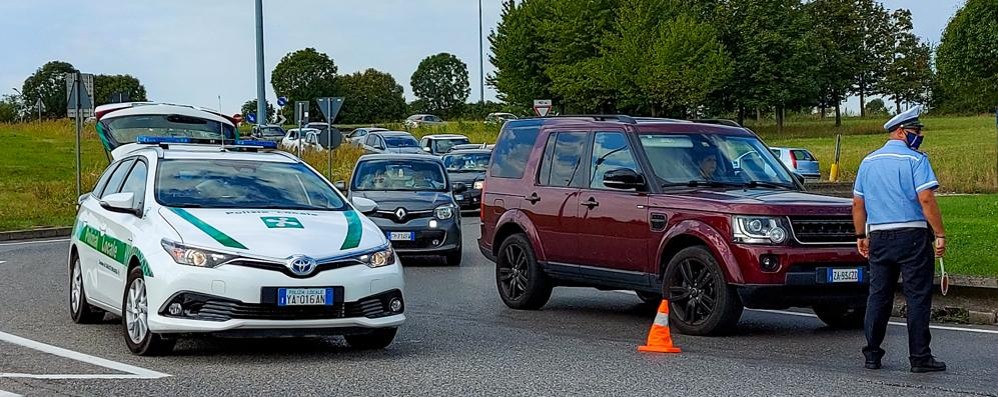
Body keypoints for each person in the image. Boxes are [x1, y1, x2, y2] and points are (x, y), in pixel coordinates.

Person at [852, 105, 947, 373]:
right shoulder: (916, 161)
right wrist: (939, 233)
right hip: (913, 235)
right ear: (902, 132)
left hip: (880, 235)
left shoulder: (867, 162)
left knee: (878, 296)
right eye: (916, 131)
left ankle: (872, 354)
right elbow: (926, 198)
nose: (919, 136)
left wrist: (861, 235)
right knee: (917, 297)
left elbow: (858, 203)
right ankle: (920, 357)